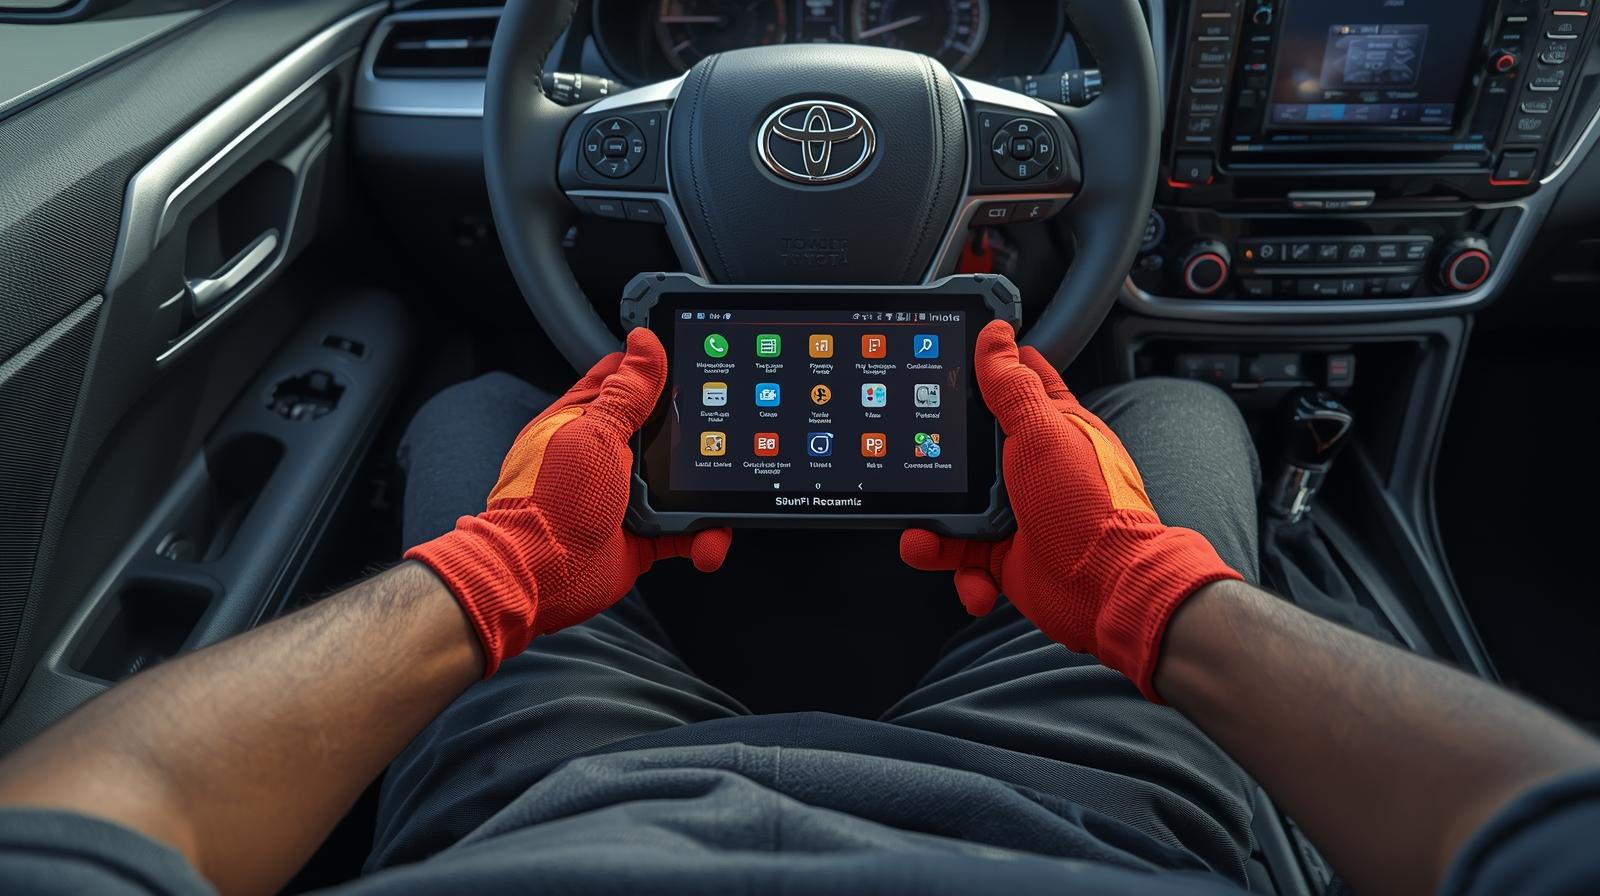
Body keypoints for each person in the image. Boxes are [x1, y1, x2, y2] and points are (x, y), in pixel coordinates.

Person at [0, 322, 1594, 896]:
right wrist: (1143, 595)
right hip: (1098, 826)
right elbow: (1536, 828)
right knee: (1176, 413)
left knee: (484, 409)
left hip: (549, 808)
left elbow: (73, 819)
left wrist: (494, 584)